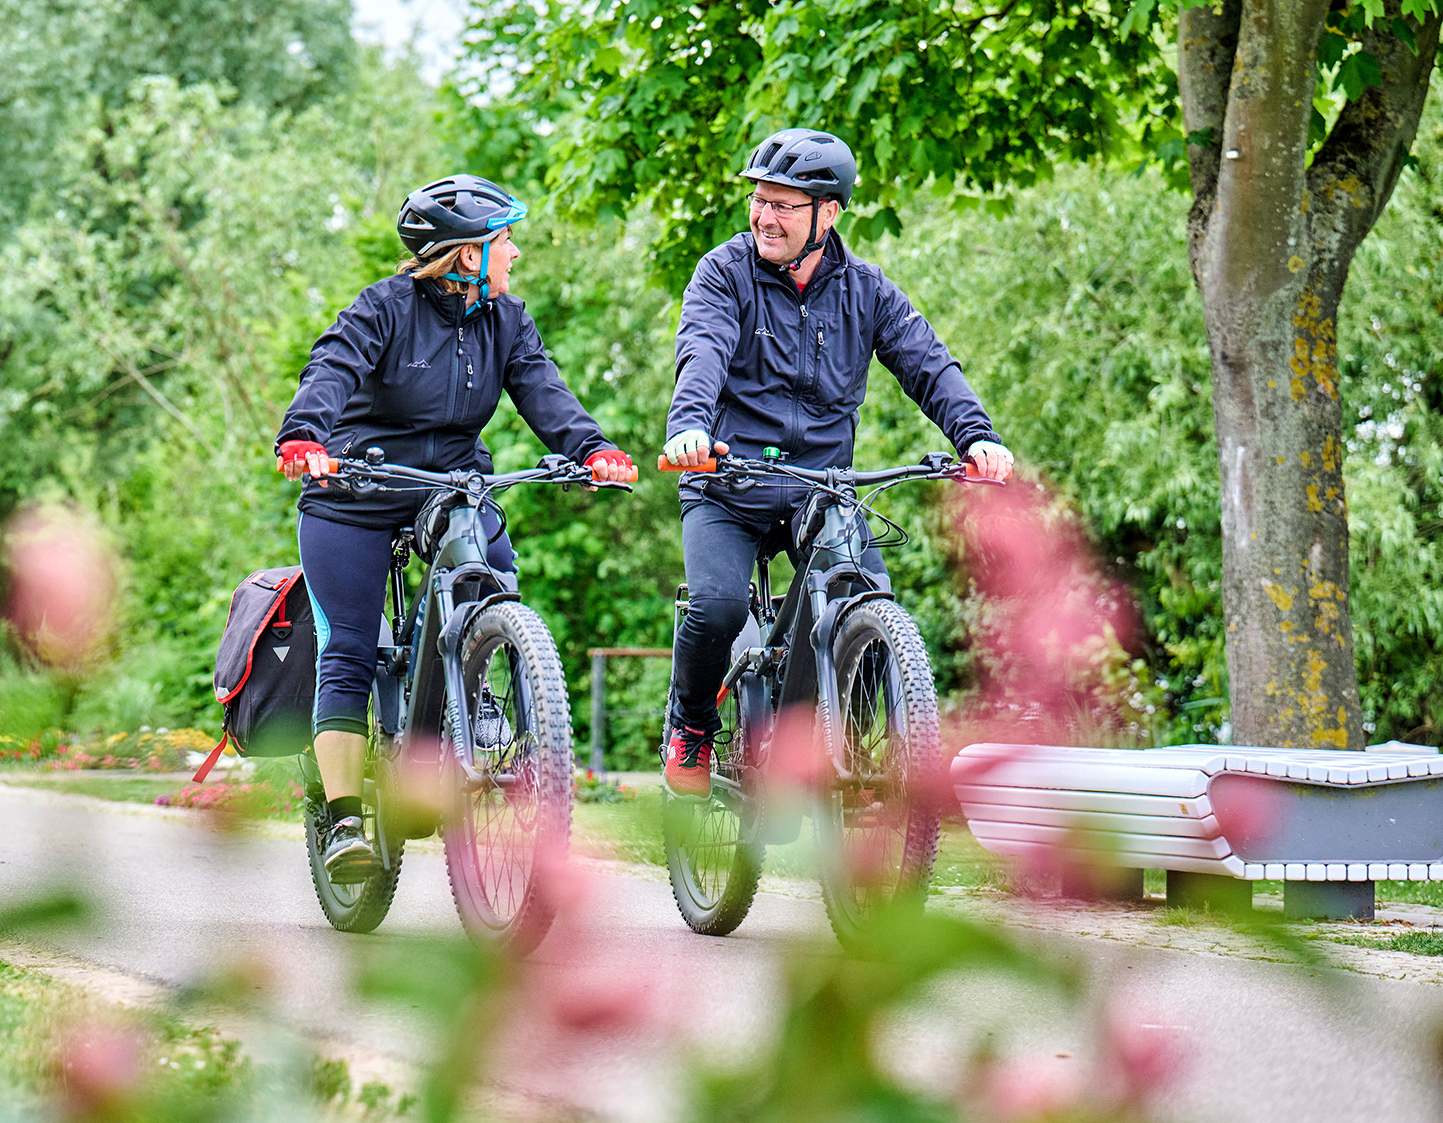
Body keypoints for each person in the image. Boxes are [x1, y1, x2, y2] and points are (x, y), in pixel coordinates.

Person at [277, 173, 636, 879]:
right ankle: (346, 818)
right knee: (347, 647)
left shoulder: (508, 321)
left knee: (495, 580)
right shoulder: (383, 308)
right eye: (505, 240)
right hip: (356, 486)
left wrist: (591, 449)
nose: (515, 253)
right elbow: (332, 367)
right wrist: (305, 437)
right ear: (468, 254)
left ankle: (478, 696)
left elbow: (543, 388)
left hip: (451, 486)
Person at [662, 128, 1013, 793]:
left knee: (866, 601)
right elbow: (701, 351)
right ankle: (693, 723)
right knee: (716, 607)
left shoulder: (867, 291)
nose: (765, 216)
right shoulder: (723, 273)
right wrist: (689, 429)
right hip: (726, 483)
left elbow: (928, 364)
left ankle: (850, 763)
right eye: (759, 201)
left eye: (783, 205)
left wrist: (976, 437)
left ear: (829, 213)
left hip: (819, 491)